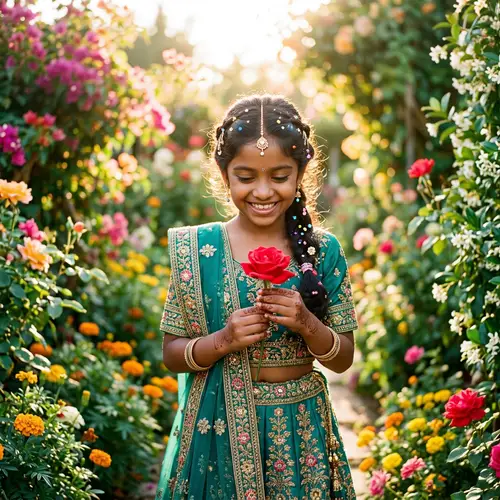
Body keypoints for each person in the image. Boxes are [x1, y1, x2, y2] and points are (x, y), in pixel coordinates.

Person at [156, 94, 359, 500]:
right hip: (219, 436)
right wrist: (222, 341)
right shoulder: (199, 249)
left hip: (302, 435)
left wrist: (307, 323)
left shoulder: (323, 251)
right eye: (246, 177)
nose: (263, 191)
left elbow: (342, 358)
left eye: (279, 176)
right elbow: (171, 353)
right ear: (224, 173)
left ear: (301, 173)